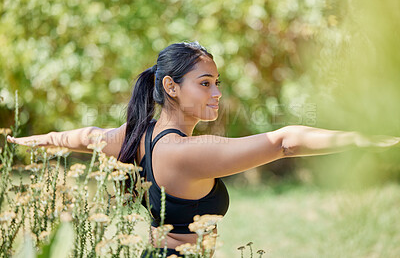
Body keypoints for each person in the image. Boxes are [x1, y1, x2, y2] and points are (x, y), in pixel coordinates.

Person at [7, 41, 400, 257]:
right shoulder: (184, 152)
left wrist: (35, 141)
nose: (217, 93)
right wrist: (363, 139)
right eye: (206, 83)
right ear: (171, 87)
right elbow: (283, 143)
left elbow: (83, 136)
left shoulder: (135, 134)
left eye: (217, 82)